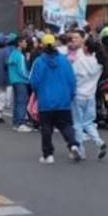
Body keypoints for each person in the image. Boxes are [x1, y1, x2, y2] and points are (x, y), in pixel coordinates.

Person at [29, 34, 79, 164]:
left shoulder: (39, 62)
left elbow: (34, 81)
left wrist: (37, 93)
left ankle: (48, 155)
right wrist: (71, 95)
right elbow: (72, 80)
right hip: (63, 99)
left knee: (46, 128)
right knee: (66, 125)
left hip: (46, 100)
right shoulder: (65, 61)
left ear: (43, 45)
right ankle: (73, 144)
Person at [71, 37, 107, 160]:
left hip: (78, 95)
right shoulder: (98, 62)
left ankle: (80, 150)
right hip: (90, 95)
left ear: (86, 47)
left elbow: (72, 77)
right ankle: (99, 142)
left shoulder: (79, 61)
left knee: (77, 124)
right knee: (88, 122)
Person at [8, 35, 31, 131]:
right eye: (24, 42)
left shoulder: (13, 54)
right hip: (21, 81)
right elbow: (22, 70)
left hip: (14, 80)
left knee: (17, 102)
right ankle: (21, 123)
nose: (26, 43)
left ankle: (16, 122)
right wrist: (29, 77)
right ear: (19, 43)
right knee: (22, 101)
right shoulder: (20, 55)